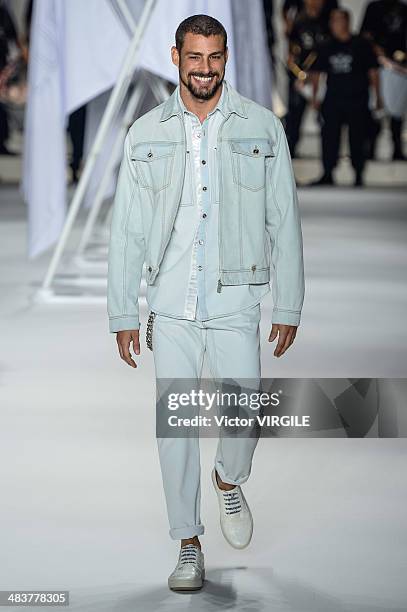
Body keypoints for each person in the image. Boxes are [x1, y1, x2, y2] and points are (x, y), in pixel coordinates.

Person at [107, 14, 304, 592]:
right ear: (176, 57)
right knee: (175, 429)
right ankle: (188, 542)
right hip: (169, 305)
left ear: (225, 59)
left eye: (215, 57)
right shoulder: (145, 133)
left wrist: (287, 302)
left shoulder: (263, 127)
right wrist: (123, 312)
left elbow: (285, 220)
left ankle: (227, 480)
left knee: (244, 417)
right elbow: (126, 230)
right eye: (194, 57)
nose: (205, 68)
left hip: (236, 296)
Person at [309, 8, 382, 186]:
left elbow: (373, 71)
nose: (333, 24)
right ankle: (327, 173)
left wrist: (378, 96)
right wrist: (315, 97)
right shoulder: (326, 45)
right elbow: (317, 73)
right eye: (332, 20)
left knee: (358, 137)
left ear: (347, 22)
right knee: (329, 137)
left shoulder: (361, 44)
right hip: (333, 98)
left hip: (358, 98)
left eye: (338, 20)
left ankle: (358, 173)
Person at [360, 0, 407, 160]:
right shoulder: (373, 7)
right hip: (377, 65)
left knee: (397, 110)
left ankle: (397, 148)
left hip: (400, 67)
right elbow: (364, 34)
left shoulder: (403, 8)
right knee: (376, 108)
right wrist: (376, 50)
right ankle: (370, 148)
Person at [285, 0, 332, 157]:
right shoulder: (298, 23)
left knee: (326, 118)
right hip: (301, 77)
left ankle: (328, 159)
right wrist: (299, 73)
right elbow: (291, 53)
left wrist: (317, 76)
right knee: (294, 115)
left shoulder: (327, 22)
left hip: (323, 77)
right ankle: (289, 151)